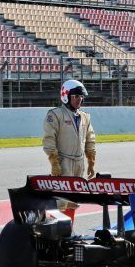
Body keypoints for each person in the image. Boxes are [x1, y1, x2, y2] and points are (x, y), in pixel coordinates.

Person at [42, 79, 96, 221]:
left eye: (81, 96)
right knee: (60, 201)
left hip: (79, 164)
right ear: (66, 96)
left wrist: (91, 162)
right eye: (76, 96)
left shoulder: (85, 117)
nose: (80, 99)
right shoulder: (55, 115)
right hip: (63, 163)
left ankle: (69, 231)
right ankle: (56, 233)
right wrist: (54, 163)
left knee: (73, 202)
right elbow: (49, 140)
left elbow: (90, 140)